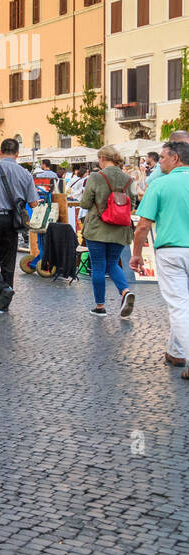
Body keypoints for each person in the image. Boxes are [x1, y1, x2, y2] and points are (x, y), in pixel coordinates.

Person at [132, 139, 189, 378]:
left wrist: (136, 254)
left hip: (171, 250)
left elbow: (143, 225)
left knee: (179, 305)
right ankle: (175, 351)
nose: (159, 163)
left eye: (163, 158)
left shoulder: (161, 185)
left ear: (175, 158)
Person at [0, 138, 40, 313]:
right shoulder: (25, 173)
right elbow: (34, 203)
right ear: (17, 154)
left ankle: (2, 290)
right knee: (8, 260)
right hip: (14, 220)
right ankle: (4, 303)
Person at [79, 145, 136, 319]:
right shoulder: (129, 179)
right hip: (120, 229)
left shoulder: (96, 177)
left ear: (102, 158)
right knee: (112, 263)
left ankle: (100, 307)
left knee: (98, 266)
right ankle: (125, 291)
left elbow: (85, 204)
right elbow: (132, 205)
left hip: (97, 228)